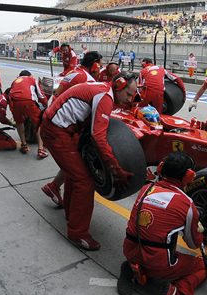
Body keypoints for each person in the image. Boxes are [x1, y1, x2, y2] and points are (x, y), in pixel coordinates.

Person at [40, 72, 137, 250]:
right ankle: (78, 234)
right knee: (84, 181)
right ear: (119, 86)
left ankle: (71, 215)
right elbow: (98, 137)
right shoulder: (105, 97)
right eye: (129, 95)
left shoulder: (103, 89)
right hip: (56, 132)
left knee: (75, 173)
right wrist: (114, 167)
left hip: (60, 128)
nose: (130, 100)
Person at [120, 152, 207, 295]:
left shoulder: (146, 189)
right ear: (189, 176)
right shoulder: (186, 204)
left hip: (130, 251)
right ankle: (175, 292)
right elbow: (193, 243)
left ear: (161, 168)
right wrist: (197, 227)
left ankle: (132, 268)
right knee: (202, 265)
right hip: (158, 264)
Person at [41, 51, 102, 207]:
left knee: (72, 161)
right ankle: (58, 189)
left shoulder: (73, 71)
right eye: (100, 64)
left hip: (55, 114)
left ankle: (54, 186)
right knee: (78, 164)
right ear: (94, 64)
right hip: (64, 124)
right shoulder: (87, 79)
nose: (101, 68)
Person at [9, 70, 48, 159]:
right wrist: (45, 105)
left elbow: (10, 96)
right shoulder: (32, 79)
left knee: (19, 122)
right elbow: (41, 96)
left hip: (15, 102)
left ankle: (24, 145)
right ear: (29, 75)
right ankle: (41, 149)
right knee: (39, 123)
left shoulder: (15, 81)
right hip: (28, 101)